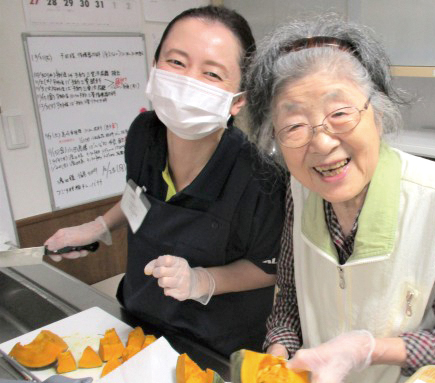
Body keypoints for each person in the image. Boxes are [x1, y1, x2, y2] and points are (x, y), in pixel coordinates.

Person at [244, 14, 435, 383]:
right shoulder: (300, 192)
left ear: (379, 114)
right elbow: (290, 299)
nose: (323, 142)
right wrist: (279, 356)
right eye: (294, 126)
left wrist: (367, 349)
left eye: (340, 113)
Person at [44, 6, 286, 358]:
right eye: (176, 62)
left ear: (238, 101)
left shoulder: (260, 178)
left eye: (212, 74)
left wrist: (203, 281)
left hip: (214, 344)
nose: (189, 81)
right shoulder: (144, 134)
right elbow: (138, 194)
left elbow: (269, 269)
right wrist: (98, 227)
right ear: (155, 68)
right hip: (139, 318)